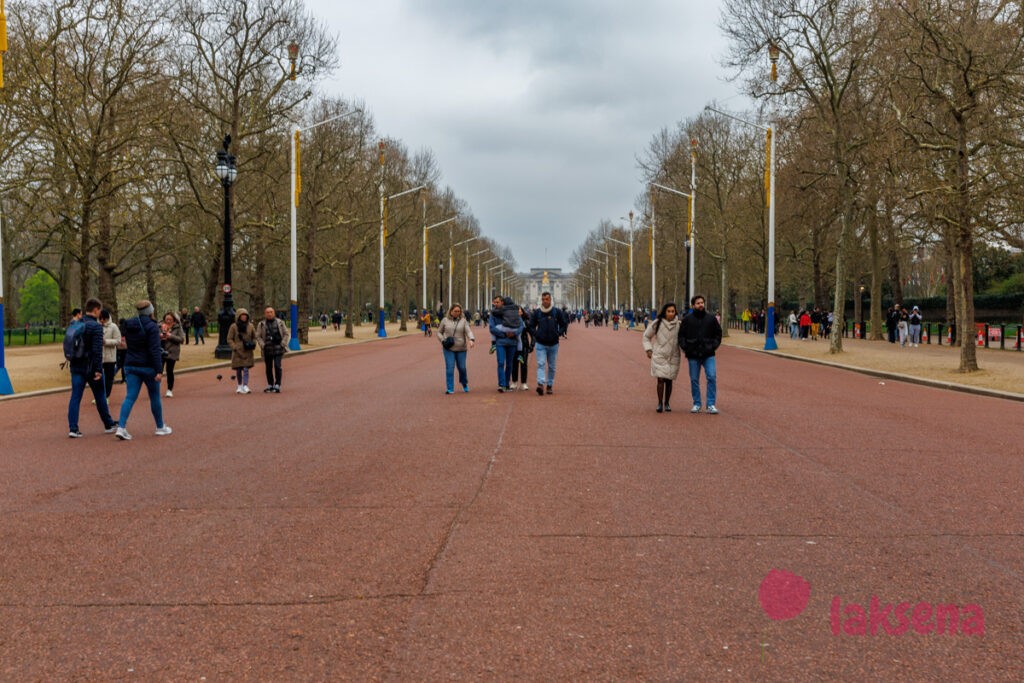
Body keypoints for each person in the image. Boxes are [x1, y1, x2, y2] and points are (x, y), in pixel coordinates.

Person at [116, 300, 171, 440]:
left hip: (131, 364)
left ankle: (121, 427)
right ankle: (160, 427)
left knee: (130, 397)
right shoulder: (152, 327)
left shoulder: (129, 324)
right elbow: (154, 350)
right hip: (148, 366)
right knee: (154, 396)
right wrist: (159, 370)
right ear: (150, 311)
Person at [67, 298, 118, 438]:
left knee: (75, 397)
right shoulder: (95, 327)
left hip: (76, 365)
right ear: (96, 310)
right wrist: (97, 369)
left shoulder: (76, 324)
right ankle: (108, 424)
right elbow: (97, 350)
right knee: (100, 394)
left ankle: (73, 428)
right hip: (90, 366)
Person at [679, 294, 722, 414]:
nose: (700, 305)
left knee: (712, 377)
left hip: (708, 354)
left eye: (702, 302)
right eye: (698, 303)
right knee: (694, 379)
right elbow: (681, 336)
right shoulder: (687, 319)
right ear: (693, 305)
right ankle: (697, 403)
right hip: (693, 354)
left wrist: (713, 346)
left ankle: (711, 404)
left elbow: (718, 334)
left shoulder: (711, 318)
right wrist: (686, 348)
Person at [643, 302, 681, 413]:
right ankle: (659, 403)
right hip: (659, 355)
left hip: (673, 356)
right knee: (660, 379)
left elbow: (683, 340)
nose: (670, 313)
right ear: (665, 312)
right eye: (668, 311)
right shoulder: (657, 323)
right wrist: (648, 349)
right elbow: (646, 336)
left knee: (669, 380)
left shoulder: (679, 324)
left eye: (672, 311)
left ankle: (667, 403)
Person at [529, 291, 568, 396]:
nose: (544, 301)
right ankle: (540, 384)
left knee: (552, 366)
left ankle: (549, 385)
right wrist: (536, 334)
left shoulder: (557, 312)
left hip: (553, 344)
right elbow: (531, 325)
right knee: (541, 364)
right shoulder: (537, 312)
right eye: (543, 299)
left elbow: (564, 324)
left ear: (550, 300)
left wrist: (558, 334)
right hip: (540, 343)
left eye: (546, 299)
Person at [437, 303, 475, 394]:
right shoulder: (444, 320)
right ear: (451, 311)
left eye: (459, 311)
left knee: (462, 368)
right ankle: (450, 388)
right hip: (448, 348)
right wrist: (442, 340)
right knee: (450, 368)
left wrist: (471, 339)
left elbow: (468, 331)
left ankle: (464, 383)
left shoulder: (463, 321)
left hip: (461, 348)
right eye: (455, 311)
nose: (457, 313)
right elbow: (439, 332)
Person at [256, 306, 289, 393]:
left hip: (278, 349)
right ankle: (270, 384)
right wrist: (262, 345)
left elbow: (286, 333)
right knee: (268, 368)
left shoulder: (280, 322)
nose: (269, 314)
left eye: (271, 312)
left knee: (278, 366)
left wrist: (283, 343)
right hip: (267, 349)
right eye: (267, 312)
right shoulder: (261, 324)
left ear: (274, 313)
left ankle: (277, 384)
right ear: (265, 314)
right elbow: (258, 336)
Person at [227, 308, 256, 394]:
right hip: (237, 351)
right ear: (238, 317)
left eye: (245, 316)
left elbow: (254, 337)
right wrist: (234, 347)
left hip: (247, 350)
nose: (244, 317)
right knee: (239, 369)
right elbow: (229, 339)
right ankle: (239, 385)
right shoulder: (233, 326)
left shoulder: (250, 326)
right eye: (242, 316)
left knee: (246, 369)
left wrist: (253, 344)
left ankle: (245, 385)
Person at [160, 311, 184, 397]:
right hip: (161, 351)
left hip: (172, 352)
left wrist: (170, 336)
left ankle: (169, 390)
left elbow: (181, 339)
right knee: (158, 370)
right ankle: (155, 389)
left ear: (173, 320)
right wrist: (159, 336)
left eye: (170, 319)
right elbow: (153, 337)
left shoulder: (177, 327)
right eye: (166, 319)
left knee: (169, 371)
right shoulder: (160, 326)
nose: (168, 321)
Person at [510, 307, 534, 391]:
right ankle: (514, 382)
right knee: (514, 364)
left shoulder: (526, 322)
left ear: (522, 311)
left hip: (524, 345)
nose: (518, 311)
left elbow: (532, 334)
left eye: (520, 310)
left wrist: (532, 345)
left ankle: (524, 383)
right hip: (513, 345)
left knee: (523, 364)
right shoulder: (511, 322)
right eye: (517, 310)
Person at [99, 308, 121, 402]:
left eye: (103, 319)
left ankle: (106, 396)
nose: (101, 321)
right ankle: (99, 396)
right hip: (99, 356)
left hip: (110, 357)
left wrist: (106, 342)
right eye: (100, 319)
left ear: (107, 318)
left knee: (109, 378)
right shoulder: (97, 326)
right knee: (98, 378)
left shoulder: (114, 327)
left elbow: (118, 341)